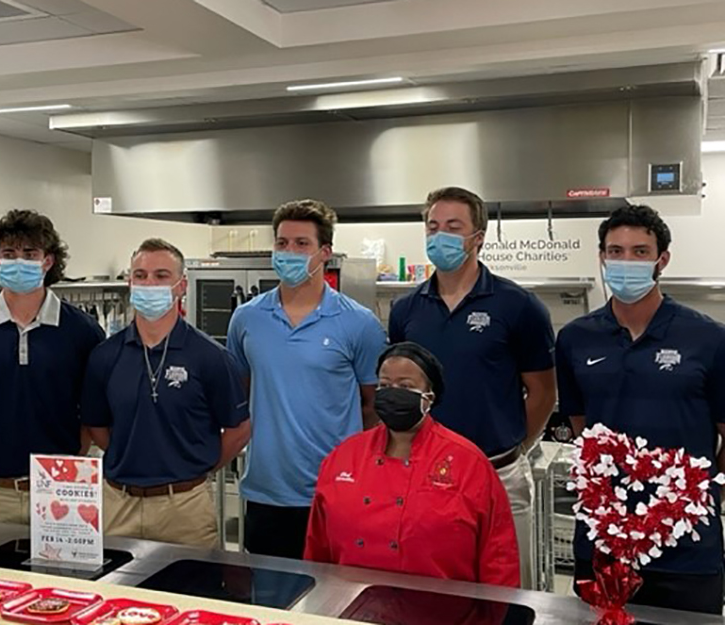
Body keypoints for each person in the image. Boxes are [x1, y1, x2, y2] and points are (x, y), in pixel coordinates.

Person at [556, 205, 725, 615]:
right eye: (615, 251)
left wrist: (697, 495)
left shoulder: (708, 338)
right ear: (601, 257)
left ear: (661, 259)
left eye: (639, 251)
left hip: (686, 544)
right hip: (601, 539)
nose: (625, 261)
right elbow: (583, 428)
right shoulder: (576, 339)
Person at [388, 186, 556, 588]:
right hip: (424, 477)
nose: (439, 235)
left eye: (452, 226)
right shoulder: (407, 310)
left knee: (508, 594)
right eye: (433, 227)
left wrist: (515, 446)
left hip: (499, 474)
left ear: (477, 237)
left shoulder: (518, 306)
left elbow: (543, 392)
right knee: (433, 589)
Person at [227, 199, 387, 559]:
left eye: (302, 244)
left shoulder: (358, 324)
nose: (290, 252)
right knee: (270, 603)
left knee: (336, 604)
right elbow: (242, 393)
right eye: (282, 243)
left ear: (324, 252)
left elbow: (372, 405)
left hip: (336, 491)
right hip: (266, 492)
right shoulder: (247, 319)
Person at [305, 342, 520, 587]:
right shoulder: (343, 456)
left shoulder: (469, 463)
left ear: (430, 396)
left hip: (443, 610)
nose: (392, 392)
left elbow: (498, 556)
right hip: (348, 604)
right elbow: (317, 549)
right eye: (384, 385)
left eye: (405, 386)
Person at [81, 238, 250, 547]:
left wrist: (196, 467)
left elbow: (239, 429)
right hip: (118, 505)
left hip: (185, 508)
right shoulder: (105, 356)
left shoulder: (211, 357)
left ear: (181, 286)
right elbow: (97, 428)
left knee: (191, 592)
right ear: (130, 282)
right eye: (141, 276)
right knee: (116, 591)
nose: (149, 284)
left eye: (161, 276)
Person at [0, 209, 104, 524]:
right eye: (9, 253)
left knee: (62, 575)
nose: (19, 261)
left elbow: (91, 414)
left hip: (63, 492)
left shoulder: (84, 331)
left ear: (48, 261)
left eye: (30, 254)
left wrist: (69, 463)